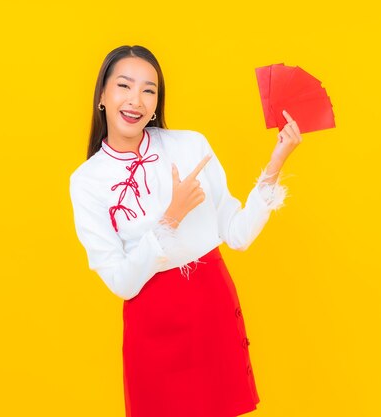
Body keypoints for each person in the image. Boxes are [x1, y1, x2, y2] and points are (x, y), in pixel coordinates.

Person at [69, 45, 302, 417]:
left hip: (212, 306)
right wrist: (169, 219)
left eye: (149, 90)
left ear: (158, 101)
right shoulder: (86, 181)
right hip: (153, 321)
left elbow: (237, 234)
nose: (136, 100)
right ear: (102, 95)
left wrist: (277, 161)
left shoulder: (190, 144)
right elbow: (121, 283)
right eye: (124, 86)